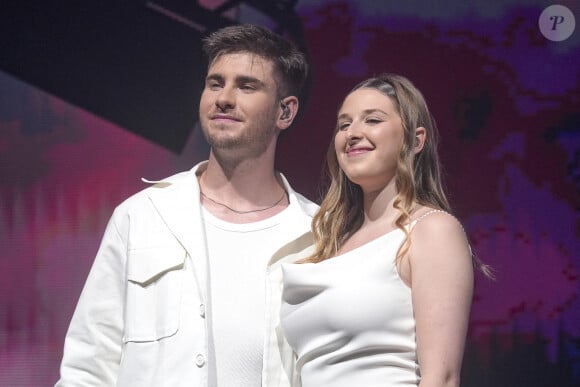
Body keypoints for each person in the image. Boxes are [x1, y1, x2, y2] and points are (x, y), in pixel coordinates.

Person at [56, 24, 317, 387]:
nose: (224, 98)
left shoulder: (318, 233)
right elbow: (89, 363)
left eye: (246, 85)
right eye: (215, 83)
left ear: (285, 113)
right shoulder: (143, 215)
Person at [280, 73, 492, 387]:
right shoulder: (328, 243)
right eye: (344, 124)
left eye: (373, 120)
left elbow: (442, 378)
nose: (352, 133)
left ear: (415, 140)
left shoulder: (431, 231)